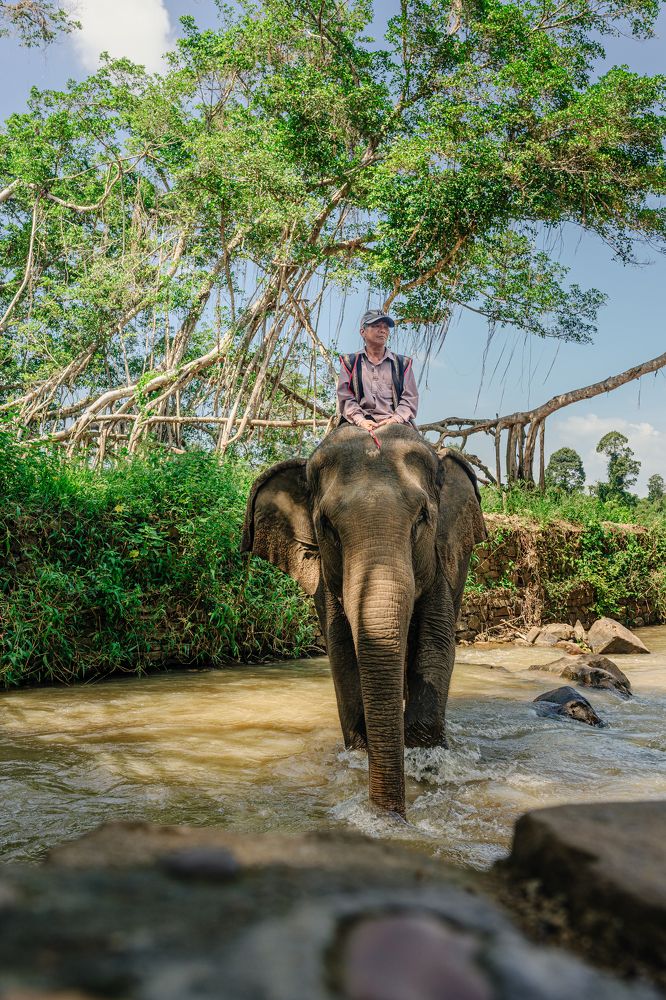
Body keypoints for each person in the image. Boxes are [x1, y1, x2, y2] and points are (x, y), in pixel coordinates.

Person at [337, 309, 419, 431]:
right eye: (376, 326)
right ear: (362, 332)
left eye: (386, 327)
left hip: (394, 421)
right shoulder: (349, 362)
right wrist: (361, 421)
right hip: (358, 422)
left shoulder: (403, 364)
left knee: (419, 449)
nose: (383, 330)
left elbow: (410, 397)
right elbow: (346, 397)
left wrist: (395, 419)